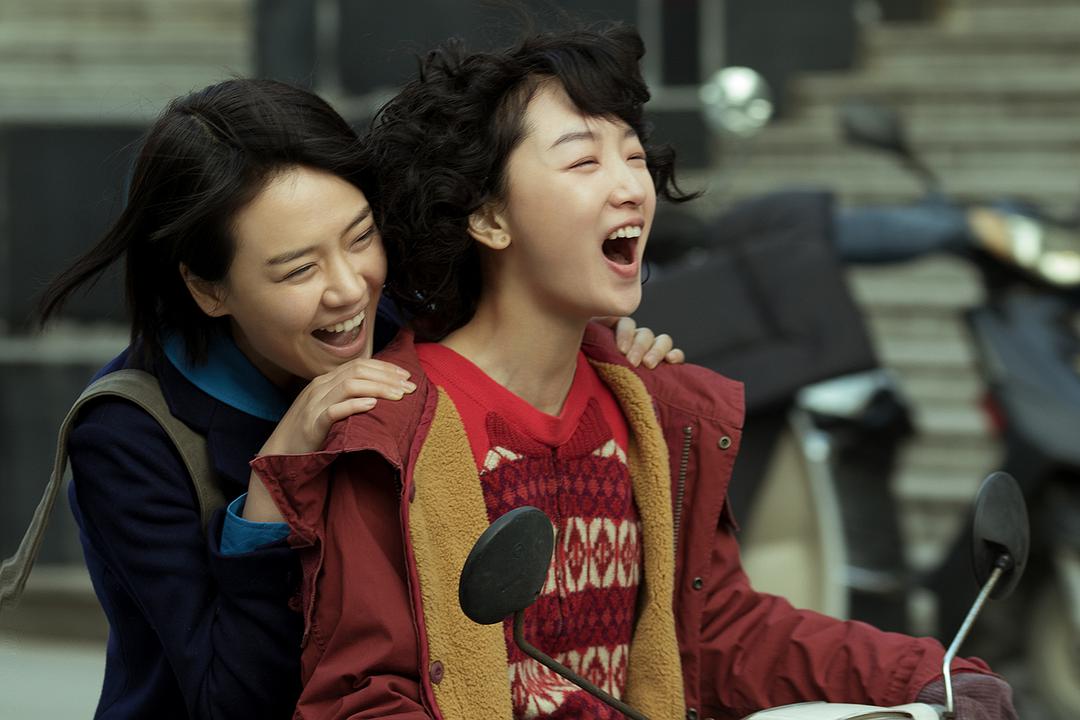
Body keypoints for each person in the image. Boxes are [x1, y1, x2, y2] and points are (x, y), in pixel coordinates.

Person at [250, 24, 1017, 720]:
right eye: (584, 160)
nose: (630, 186)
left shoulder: (656, 412)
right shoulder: (393, 431)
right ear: (487, 217)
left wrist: (926, 676)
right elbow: (363, 695)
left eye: (635, 156)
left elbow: (717, 632)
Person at [32, 78, 682, 719]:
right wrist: (273, 487)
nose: (349, 289)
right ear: (209, 289)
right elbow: (230, 701)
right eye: (299, 270)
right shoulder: (127, 438)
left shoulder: (411, 330)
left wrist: (595, 349)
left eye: (361, 237)